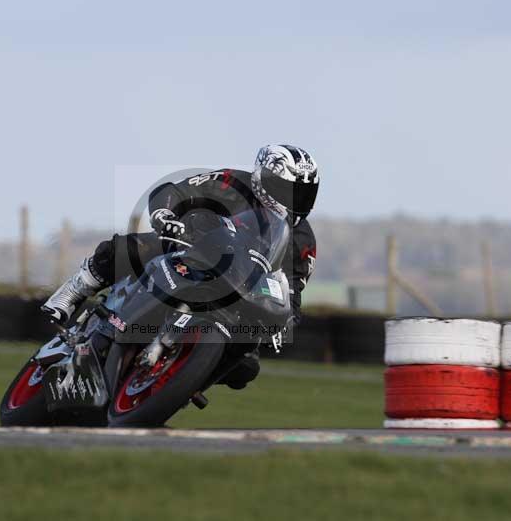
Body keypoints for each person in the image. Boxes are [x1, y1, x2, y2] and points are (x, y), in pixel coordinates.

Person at [43, 144, 319, 388]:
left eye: (304, 194)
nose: (295, 200)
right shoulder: (231, 183)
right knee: (135, 248)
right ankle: (73, 291)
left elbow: (292, 290)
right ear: (263, 179)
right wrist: (166, 214)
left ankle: (181, 385)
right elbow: (176, 191)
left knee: (246, 366)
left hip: (238, 295)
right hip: (192, 250)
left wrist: (285, 322)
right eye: (287, 190)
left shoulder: (303, 241)